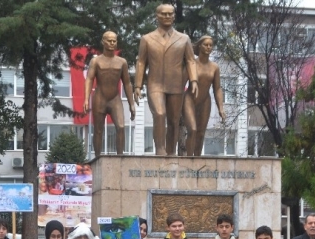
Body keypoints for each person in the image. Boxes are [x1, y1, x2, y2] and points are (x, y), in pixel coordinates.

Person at [134, 3, 198, 156]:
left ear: (174, 16)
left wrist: (194, 80)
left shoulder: (184, 39)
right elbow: (141, 62)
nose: (167, 16)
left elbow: (190, 61)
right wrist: (137, 85)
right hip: (155, 84)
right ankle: (160, 150)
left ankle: (170, 152)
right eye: (164, 14)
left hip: (175, 85)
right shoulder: (147, 39)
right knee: (160, 114)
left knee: (174, 121)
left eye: (170, 14)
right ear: (157, 16)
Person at [83, 31, 136, 156]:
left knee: (121, 127)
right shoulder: (96, 61)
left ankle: (120, 158)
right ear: (103, 42)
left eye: (114, 41)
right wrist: (86, 99)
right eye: (109, 40)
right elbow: (89, 79)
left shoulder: (122, 62)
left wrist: (131, 103)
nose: (112, 43)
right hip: (100, 98)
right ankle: (97, 158)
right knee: (98, 130)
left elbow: (127, 83)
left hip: (115, 99)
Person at [182, 35, 226, 157]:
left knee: (201, 133)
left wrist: (220, 108)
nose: (208, 47)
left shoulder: (214, 67)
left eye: (210, 45)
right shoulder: (192, 64)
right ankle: (189, 158)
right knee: (193, 130)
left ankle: (197, 158)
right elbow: (181, 84)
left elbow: (217, 88)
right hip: (190, 99)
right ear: (199, 46)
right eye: (206, 44)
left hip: (205, 101)